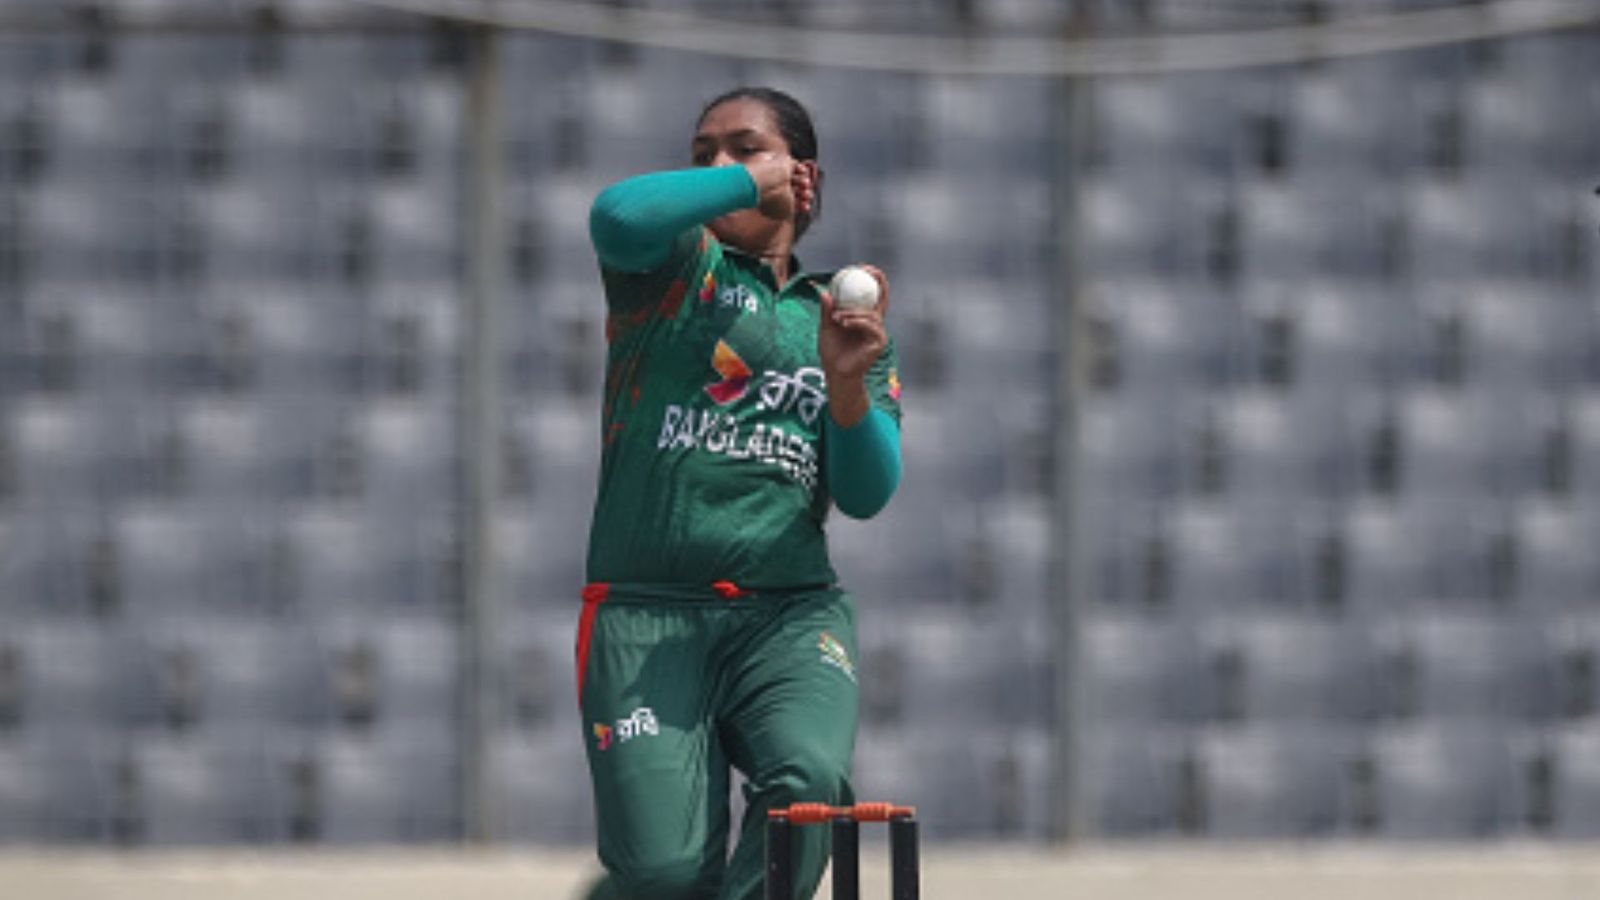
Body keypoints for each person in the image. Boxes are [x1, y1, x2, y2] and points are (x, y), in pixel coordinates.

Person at [576, 86, 903, 900]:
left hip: (788, 615)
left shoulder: (839, 319)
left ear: (804, 177)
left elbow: (867, 494)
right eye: (703, 155)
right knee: (664, 874)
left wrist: (845, 383)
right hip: (648, 617)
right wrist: (749, 177)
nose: (717, 166)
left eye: (743, 147)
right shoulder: (674, 266)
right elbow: (616, 216)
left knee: (809, 784)